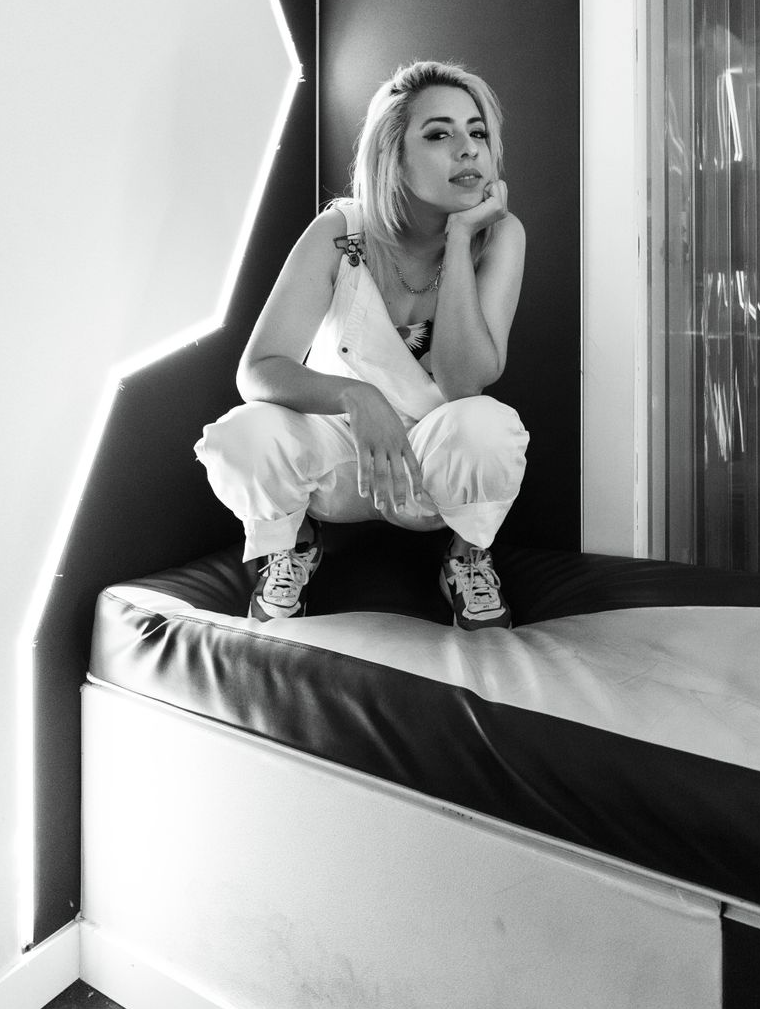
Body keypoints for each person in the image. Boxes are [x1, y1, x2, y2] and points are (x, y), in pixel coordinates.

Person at [195, 60, 529, 630]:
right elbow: (259, 369)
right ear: (393, 156)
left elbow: (463, 382)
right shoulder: (340, 232)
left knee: (488, 426)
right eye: (439, 134)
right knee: (243, 434)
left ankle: (466, 554)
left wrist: (460, 238)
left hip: (429, 475)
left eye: (477, 132)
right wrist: (358, 397)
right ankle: (295, 543)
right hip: (338, 466)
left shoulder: (499, 236)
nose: (468, 149)